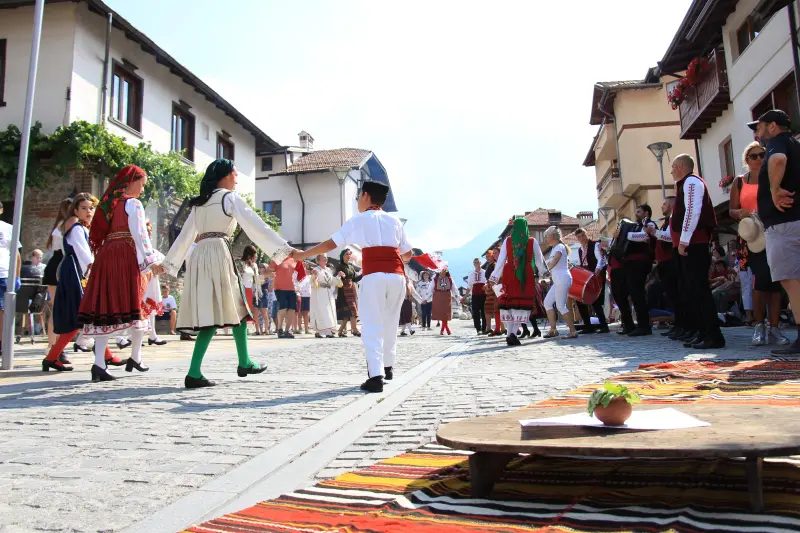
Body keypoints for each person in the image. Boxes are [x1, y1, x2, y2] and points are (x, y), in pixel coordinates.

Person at [158, 158, 294, 388]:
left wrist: (168, 263)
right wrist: (285, 249)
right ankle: (230, 365)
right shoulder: (228, 198)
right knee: (235, 306)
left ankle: (233, 363)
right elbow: (256, 225)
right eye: (235, 174)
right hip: (219, 252)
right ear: (227, 175)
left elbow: (185, 237)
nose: (237, 179)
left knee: (232, 308)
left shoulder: (200, 203)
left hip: (200, 255)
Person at [294, 180, 413, 393]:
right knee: (390, 322)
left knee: (372, 323)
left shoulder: (359, 220)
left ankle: (375, 376)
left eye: (359, 196)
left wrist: (303, 254)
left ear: (366, 196)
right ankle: (388, 367)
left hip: (374, 275)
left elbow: (331, 243)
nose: (358, 201)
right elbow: (407, 254)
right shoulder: (394, 221)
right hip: (396, 276)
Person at [78, 166, 162, 381]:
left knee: (106, 307)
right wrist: (150, 261)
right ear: (131, 182)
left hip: (107, 255)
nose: (142, 190)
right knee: (135, 305)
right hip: (125, 254)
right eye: (141, 184)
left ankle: (99, 363)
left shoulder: (109, 204)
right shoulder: (133, 204)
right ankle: (135, 357)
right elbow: (140, 235)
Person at [748, 111, 800, 354]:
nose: (756, 133)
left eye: (758, 127)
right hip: (793, 222)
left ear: (772, 127)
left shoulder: (777, 143)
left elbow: (778, 160)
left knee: (791, 280)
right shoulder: (795, 144)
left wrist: (775, 189)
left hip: (784, 225)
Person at [669, 154, 725, 349]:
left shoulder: (692, 182)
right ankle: (702, 332)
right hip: (689, 245)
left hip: (695, 244)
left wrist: (684, 241)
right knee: (693, 291)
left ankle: (713, 335)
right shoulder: (685, 184)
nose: (671, 171)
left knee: (700, 291)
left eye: (673, 167)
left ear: (682, 167)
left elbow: (693, 210)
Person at [41, 193, 97, 371]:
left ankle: (52, 356)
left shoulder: (81, 228)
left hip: (74, 274)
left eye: (91, 208)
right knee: (80, 317)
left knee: (82, 318)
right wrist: (93, 271)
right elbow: (84, 255)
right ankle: (52, 356)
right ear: (75, 211)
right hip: (74, 275)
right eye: (84, 208)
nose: (88, 211)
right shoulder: (77, 228)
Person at [488, 217, 547, 345]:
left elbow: (501, 260)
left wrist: (494, 277)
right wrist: (543, 274)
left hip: (510, 273)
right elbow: (539, 261)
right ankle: (512, 334)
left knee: (511, 305)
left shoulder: (507, 241)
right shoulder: (532, 241)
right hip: (525, 274)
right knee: (521, 306)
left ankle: (510, 334)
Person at [645, 197, 683, 338]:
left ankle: (681, 325)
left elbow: (670, 237)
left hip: (670, 262)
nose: (662, 207)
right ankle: (677, 325)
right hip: (663, 263)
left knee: (675, 294)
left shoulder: (673, 220)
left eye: (665, 204)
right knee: (671, 295)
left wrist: (654, 233)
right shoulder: (666, 222)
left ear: (672, 206)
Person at [43, 198, 74, 355]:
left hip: (54, 264)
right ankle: (55, 346)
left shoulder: (59, 225)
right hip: (61, 265)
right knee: (59, 308)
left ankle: (52, 345)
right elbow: (65, 249)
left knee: (57, 307)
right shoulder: (66, 225)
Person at [619, 205, 657, 336]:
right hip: (631, 264)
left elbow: (644, 237)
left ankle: (644, 326)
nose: (636, 214)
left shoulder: (649, 223)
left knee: (638, 294)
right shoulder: (636, 225)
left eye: (639, 212)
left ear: (646, 213)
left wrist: (626, 235)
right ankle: (641, 324)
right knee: (635, 294)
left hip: (640, 263)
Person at [541, 225, 576, 339]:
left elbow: (555, 260)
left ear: (552, 236)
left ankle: (572, 331)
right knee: (547, 303)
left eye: (546, 236)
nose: (545, 239)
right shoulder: (556, 247)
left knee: (561, 306)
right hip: (559, 280)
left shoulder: (559, 247)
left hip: (562, 279)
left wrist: (547, 270)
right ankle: (553, 330)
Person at [574, 227, 609, 334]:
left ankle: (604, 326)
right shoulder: (580, 250)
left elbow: (601, 259)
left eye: (583, 235)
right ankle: (588, 326)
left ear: (586, 235)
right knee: (580, 300)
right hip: (586, 278)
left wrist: (597, 270)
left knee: (595, 302)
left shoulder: (595, 245)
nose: (581, 238)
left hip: (595, 276)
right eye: (579, 237)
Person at [0, 201, 21, 345]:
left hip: (3, 273)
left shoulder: (8, 228)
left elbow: (16, 254)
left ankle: (3, 343)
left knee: (3, 310)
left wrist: (17, 276)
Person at [270, 255, 306, 338]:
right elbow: (268, 271)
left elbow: (300, 274)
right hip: (280, 288)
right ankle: (279, 329)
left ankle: (287, 330)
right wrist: (270, 274)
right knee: (283, 308)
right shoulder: (277, 259)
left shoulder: (295, 259)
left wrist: (298, 286)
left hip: (292, 288)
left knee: (292, 310)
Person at [309, 254, 338, 338]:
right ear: (318, 261)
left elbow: (332, 281)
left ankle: (329, 330)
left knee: (330, 311)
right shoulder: (316, 269)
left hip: (329, 292)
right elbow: (312, 282)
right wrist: (314, 276)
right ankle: (322, 331)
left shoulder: (328, 269)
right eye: (323, 258)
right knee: (322, 311)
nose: (325, 260)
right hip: (320, 293)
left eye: (326, 258)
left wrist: (338, 276)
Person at [335, 248, 362, 337]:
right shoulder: (339, 266)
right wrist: (339, 274)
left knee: (350, 312)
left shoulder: (350, 266)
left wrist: (363, 274)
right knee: (349, 312)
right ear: (342, 256)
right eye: (347, 254)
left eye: (350, 254)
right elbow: (335, 277)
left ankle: (341, 331)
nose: (349, 256)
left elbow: (355, 279)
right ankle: (354, 330)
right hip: (343, 291)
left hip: (351, 289)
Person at [432, 267, 459, 335]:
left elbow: (454, 288)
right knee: (441, 313)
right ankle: (446, 329)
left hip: (447, 296)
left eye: (444, 271)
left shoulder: (449, 279)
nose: (443, 272)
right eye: (442, 271)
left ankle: (444, 329)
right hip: (438, 296)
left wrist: (458, 296)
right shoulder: (435, 279)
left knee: (445, 314)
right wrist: (426, 298)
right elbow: (431, 288)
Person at [466, 258, 487, 335]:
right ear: (473, 264)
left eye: (477, 262)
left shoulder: (485, 272)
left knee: (484, 311)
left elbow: (487, 282)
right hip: (475, 294)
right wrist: (464, 297)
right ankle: (478, 328)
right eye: (475, 262)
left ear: (480, 263)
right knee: (475, 312)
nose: (476, 264)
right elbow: (469, 286)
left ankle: (484, 328)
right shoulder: (471, 274)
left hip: (484, 294)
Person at [240, 245, 259, 328]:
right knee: (241, 311)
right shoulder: (240, 264)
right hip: (241, 290)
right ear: (249, 255)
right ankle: (241, 327)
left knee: (247, 311)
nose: (256, 256)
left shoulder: (254, 266)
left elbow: (257, 279)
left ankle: (244, 327)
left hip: (249, 290)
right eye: (255, 254)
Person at [253, 264, 273, 335]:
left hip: (263, 294)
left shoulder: (267, 276)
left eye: (262, 267)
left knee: (265, 313)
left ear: (265, 268)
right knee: (255, 314)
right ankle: (257, 330)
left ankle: (266, 330)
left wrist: (256, 278)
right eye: (260, 267)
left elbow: (260, 282)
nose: (261, 268)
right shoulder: (256, 275)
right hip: (256, 294)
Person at [296, 270, 312, 334]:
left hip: (307, 296)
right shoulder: (297, 277)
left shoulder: (309, 277)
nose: (305, 270)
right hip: (299, 296)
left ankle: (306, 329)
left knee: (306, 313)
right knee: (299, 313)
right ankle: (299, 328)